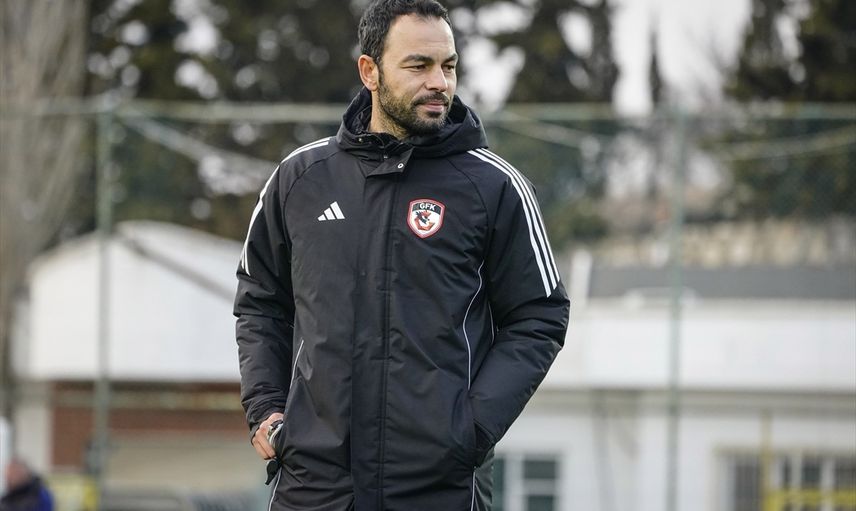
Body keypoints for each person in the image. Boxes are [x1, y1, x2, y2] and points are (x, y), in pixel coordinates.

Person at [234, 0, 570, 509]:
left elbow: (540, 315)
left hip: (437, 488)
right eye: (419, 65)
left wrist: (470, 429)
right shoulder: (300, 179)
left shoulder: (494, 186)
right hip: (314, 485)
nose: (439, 82)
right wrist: (266, 407)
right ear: (369, 71)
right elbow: (261, 302)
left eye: (449, 66)